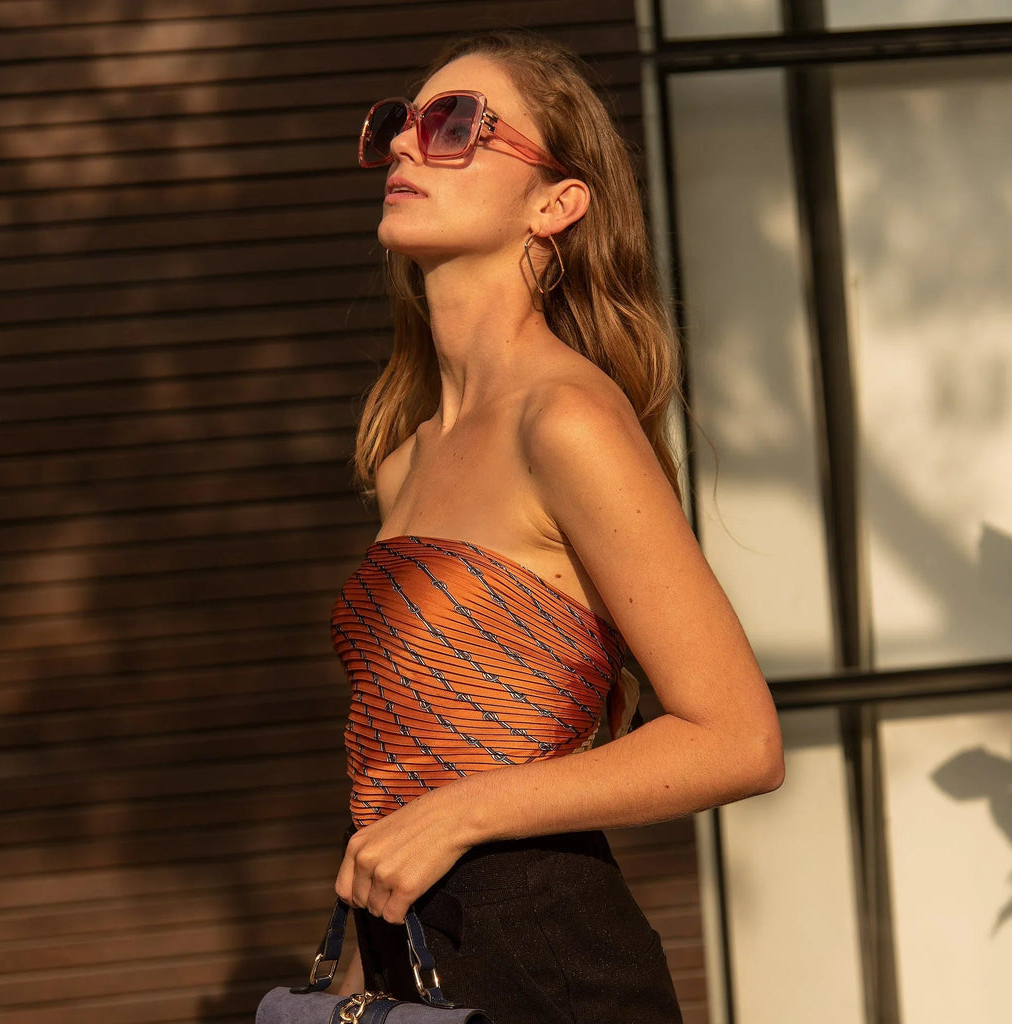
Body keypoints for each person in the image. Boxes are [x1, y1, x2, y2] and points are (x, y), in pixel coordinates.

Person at [329, 30, 784, 1023]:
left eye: (454, 126)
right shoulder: (402, 449)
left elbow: (739, 737)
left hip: (553, 966)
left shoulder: (564, 419)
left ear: (556, 202)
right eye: (397, 125)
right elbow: (407, 754)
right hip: (417, 959)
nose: (407, 146)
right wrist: (359, 959)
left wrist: (460, 813)